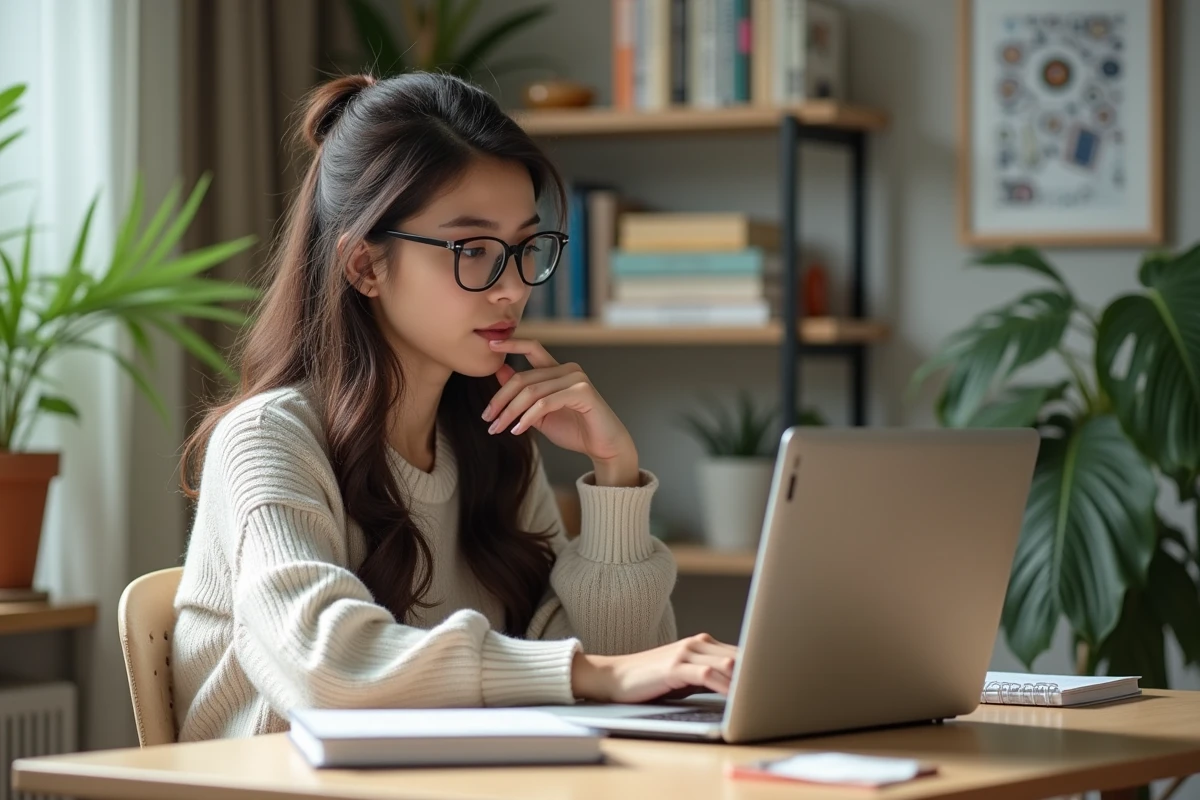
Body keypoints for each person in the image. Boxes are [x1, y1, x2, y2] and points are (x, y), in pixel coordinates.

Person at [172, 71, 738, 741]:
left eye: (526, 248)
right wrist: (594, 673)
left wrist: (614, 473)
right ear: (365, 267)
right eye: (472, 250)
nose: (510, 288)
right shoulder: (267, 440)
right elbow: (327, 668)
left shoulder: (494, 438)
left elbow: (616, 674)